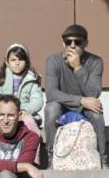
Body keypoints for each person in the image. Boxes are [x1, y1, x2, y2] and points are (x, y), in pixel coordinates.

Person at [43, 24, 105, 164]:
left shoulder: (95, 62)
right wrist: (81, 100)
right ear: (62, 43)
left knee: (97, 112)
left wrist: (77, 67)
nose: (72, 45)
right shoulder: (53, 61)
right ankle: (51, 158)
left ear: (86, 43)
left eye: (78, 42)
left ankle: (102, 159)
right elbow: (51, 93)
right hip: (62, 105)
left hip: (85, 108)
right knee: (51, 108)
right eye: (68, 42)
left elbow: (93, 93)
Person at [0, 44, 45, 134]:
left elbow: (37, 101)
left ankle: (34, 145)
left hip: (24, 114)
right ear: (7, 61)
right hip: (5, 114)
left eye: (21, 59)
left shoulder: (32, 79)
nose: (17, 63)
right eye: (13, 60)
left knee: (28, 122)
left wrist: (22, 111)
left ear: (26, 61)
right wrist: (9, 110)